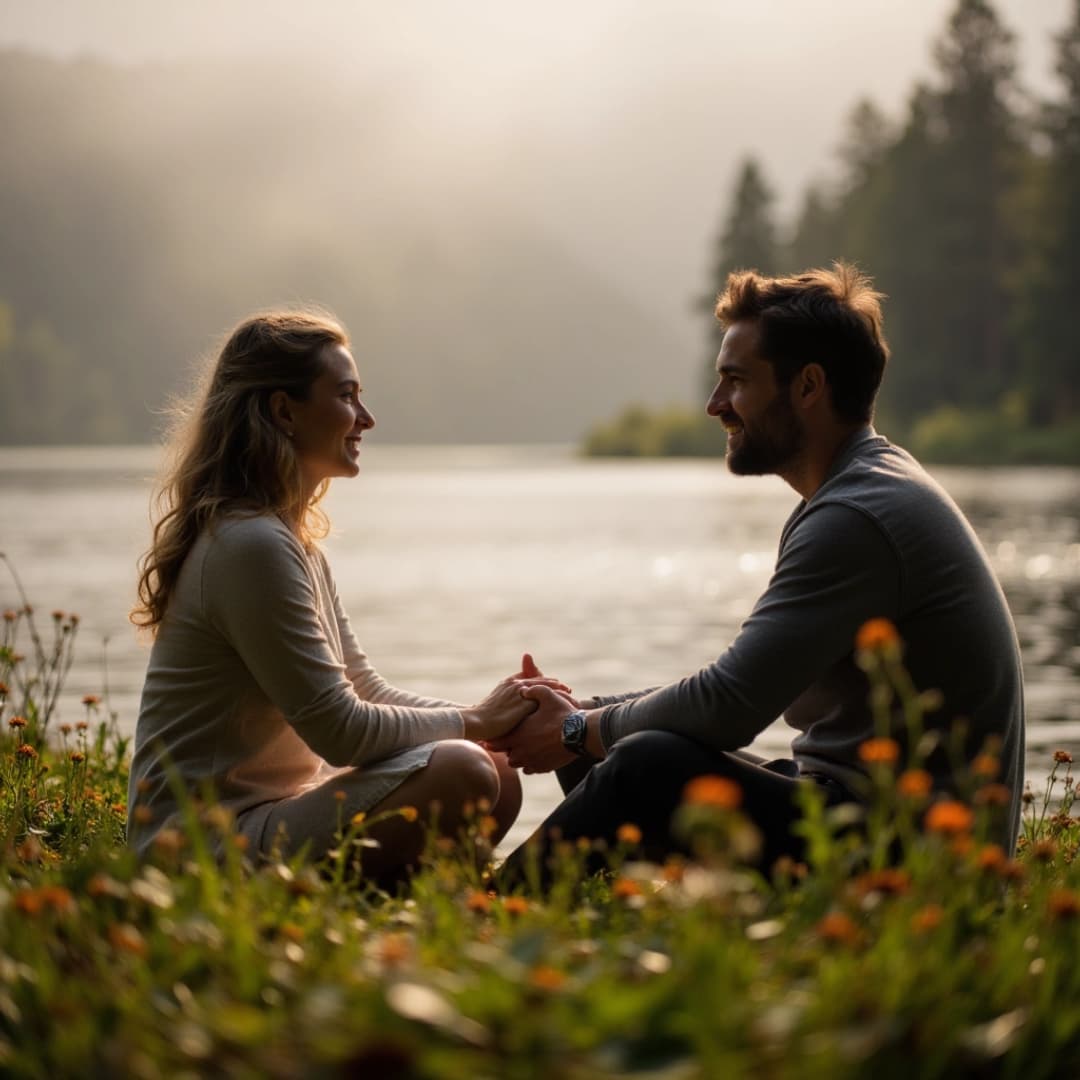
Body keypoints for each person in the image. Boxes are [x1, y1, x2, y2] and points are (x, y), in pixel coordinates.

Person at [490, 263, 1025, 881]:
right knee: (609, 750)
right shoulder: (860, 488)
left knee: (643, 763)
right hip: (856, 816)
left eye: (735, 381)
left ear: (808, 387)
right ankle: (607, 913)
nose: (716, 405)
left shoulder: (856, 515)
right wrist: (581, 713)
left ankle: (495, 917)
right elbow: (738, 680)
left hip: (913, 862)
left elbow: (728, 707)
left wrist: (580, 726)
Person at [128, 309, 560, 885]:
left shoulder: (288, 540)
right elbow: (341, 731)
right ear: (284, 410)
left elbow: (364, 689)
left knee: (495, 769)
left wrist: (490, 719)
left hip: (269, 814)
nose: (367, 418)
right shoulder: (248, 544)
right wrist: (475, 718)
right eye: (348, 396)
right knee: (465, 769)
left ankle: (402, 896)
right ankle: (408, 896)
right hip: (199, 845)